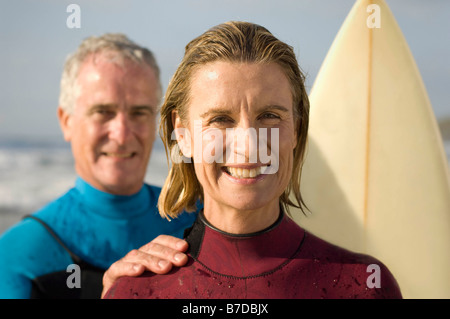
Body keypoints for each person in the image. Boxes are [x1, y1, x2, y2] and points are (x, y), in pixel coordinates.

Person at [103, 21, 402, 299]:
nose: (248, 146)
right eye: (221, 119)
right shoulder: (137, 291)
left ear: (296, 129)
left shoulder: (365, 286)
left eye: (269, 116)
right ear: (183, 135)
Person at [0, 34, 197, 299]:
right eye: (103, 112)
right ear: (66, 121)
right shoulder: (16, 256)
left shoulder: (203, 223)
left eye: (139, 112)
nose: (122, 134)